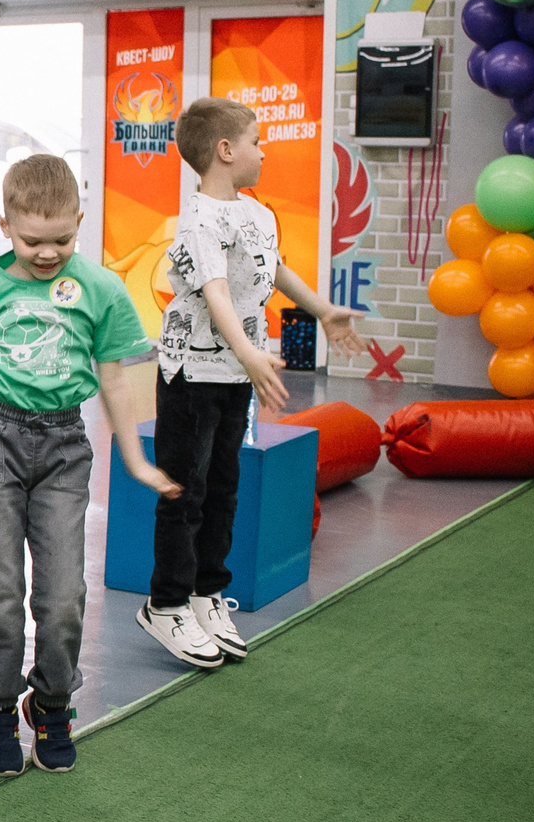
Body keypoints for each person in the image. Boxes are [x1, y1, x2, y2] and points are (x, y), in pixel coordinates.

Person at [0, 156, 176, 775]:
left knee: (64, 596)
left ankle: (51, 702)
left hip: (64, 447)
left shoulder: (100, 289)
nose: (48, 254)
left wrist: (134, 458)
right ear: (5, 226)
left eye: (62, 240)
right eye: (32, 240)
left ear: (79, 221)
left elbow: (114, 380)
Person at [136, 99, 366, 671]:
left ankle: (206, 593)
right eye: (256, 142)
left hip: (237, 375)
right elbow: (214, 291)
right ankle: (166, 604)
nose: (264, 153)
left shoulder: (257, 214)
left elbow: (275, 267)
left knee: (224, 487)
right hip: (193, 376)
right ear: (225, 150)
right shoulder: (198, 221)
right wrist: (249, 353)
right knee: (184, 491)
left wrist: (322, 310)